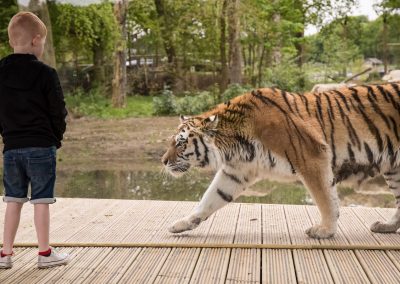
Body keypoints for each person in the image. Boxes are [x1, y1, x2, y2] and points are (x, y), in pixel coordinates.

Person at [0, 11, 68, 269]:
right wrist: (55, 138)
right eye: (43, 44)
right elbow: (58, 110)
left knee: (13, 200)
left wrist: (6, 136)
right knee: (41, 200)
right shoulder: (46, 73)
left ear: (11, 42)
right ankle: (44, 253)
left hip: (12, 148)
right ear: (36, 40)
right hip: (41, 146)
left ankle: (5, 255)